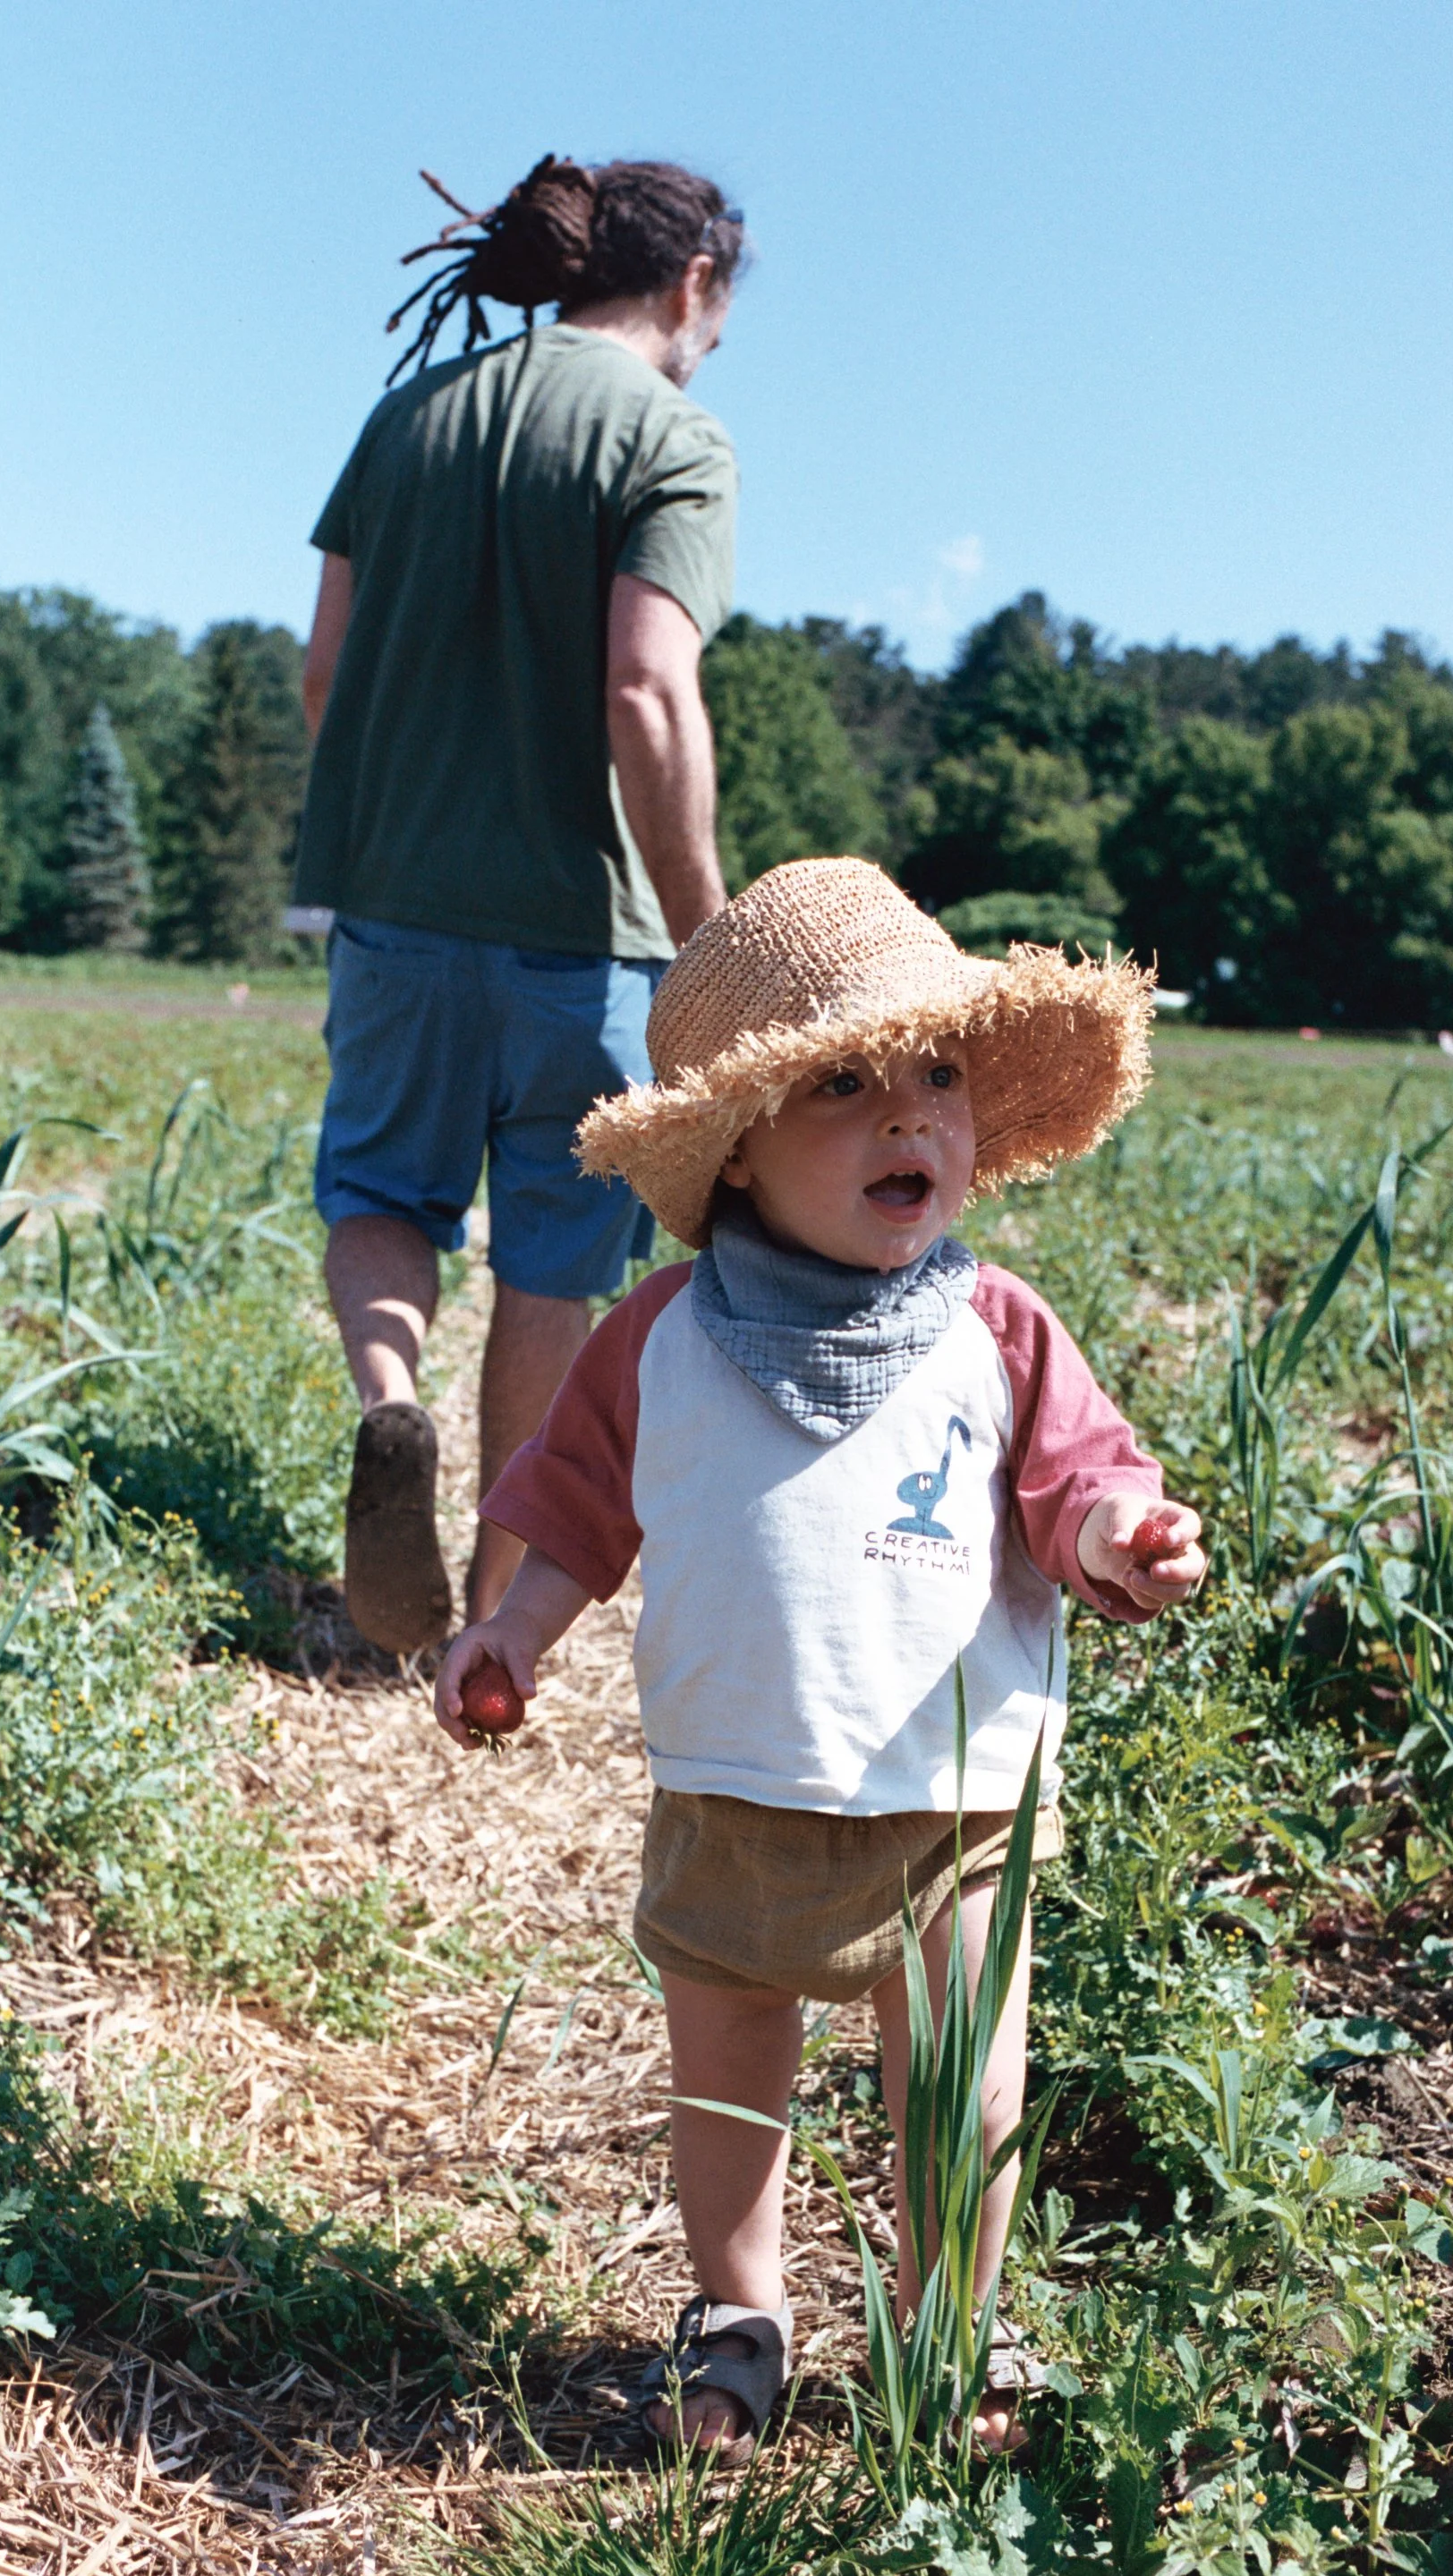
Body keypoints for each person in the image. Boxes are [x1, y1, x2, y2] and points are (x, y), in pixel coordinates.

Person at [432, 858, 1208, 2458]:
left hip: (956, 1792)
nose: (909, 1115)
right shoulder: (661, 1335)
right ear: (733, 1150)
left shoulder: (997, 1328)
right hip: (738, 1775)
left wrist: (1119, 1538)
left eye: (938, 1075)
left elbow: (1076, 1483)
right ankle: (739, 2317)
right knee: (729, 2081)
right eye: (843, 1083)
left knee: (965, 2095)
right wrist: (514, 1625)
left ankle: (948, 2341)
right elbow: (578, 1507)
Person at [292, 156, 746, 1654]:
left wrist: (386, 835)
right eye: (723, 309)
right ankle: (490, 1610)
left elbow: (327, 675)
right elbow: (647, 689)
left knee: (379, 1190)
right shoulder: (675, 439)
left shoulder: (409, 418)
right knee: (555, 1262)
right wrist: (711, 939)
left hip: (398, 906)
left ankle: (389, 1402)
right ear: (691, 283)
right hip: (589, 936)